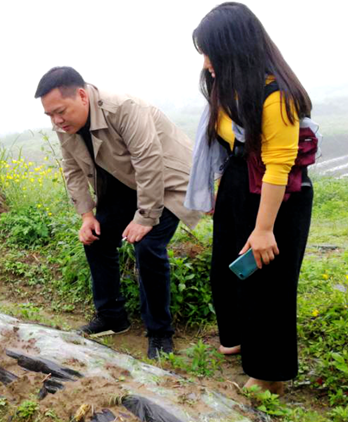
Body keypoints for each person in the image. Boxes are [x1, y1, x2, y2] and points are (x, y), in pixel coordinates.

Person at [187, 2, 314, 394]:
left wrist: (263, 228)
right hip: (241, 185)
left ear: (232, 47)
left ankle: (268, 376)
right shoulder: (230, 86)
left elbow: (279, 165)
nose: (205, 62)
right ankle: (244, 343)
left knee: (269, 285)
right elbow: (228, 145)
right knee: (234, 272)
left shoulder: (276, 95)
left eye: (209, 51)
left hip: (278, 196)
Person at [35, 67, 201, 359]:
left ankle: (160, 333)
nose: (57, 121)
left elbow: (149, 161)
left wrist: (145, 218)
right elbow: (72, 169)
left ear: (82, 96)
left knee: (148, 245)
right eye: (50, 115)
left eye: (60, 111)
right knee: (96, 236)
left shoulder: (124, 108)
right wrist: (87, 216)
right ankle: (112, 317)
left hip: (169, 182)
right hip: (128, 182)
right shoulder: (65, 127)